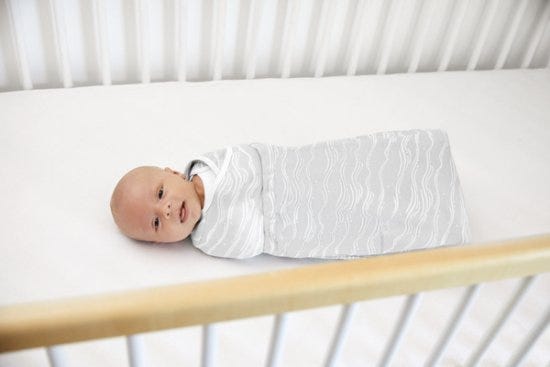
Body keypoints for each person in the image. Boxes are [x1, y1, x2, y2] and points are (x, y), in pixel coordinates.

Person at [110, 129, 470, 259]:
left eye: (161, 192)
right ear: (164, 243)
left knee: (359, 171)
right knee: (366, 215)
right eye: (156, 222)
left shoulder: (214, 166)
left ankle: (424, 162)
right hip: (296, 225)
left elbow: (252, 159)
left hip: (295, 174)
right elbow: (249, 242)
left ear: (174, 173)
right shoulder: (208, 240)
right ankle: (437, 213)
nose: (169, 209)